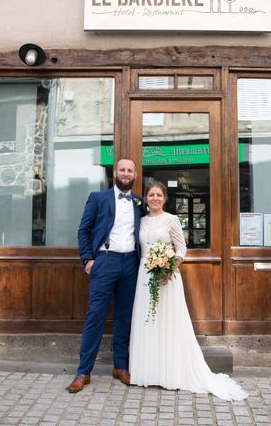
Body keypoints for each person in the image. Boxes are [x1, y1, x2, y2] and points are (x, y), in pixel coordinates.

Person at [129, 181, 248, 402]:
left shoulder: (172, 219)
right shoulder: (141, 221)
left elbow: (182, 247)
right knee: (148, 320)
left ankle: (171, 373)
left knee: (168, 322)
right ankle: (148, 371)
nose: (155, 198)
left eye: (159, 195)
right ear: (145, 198)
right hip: (144, 275)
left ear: (164, 198)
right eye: (151, 195)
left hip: (167, 276)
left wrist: (170, 267)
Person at [67, 158, 145, 394]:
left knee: (124, 317)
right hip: (105, 261)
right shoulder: (98, 198)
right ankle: (83, 371)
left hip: (130, 262)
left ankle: (120, 366)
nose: (126, 173)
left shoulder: (139, 202)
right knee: (95, 316)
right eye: (122, 169)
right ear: (115, 173)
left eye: (130, 170)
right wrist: (88, 258)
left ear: (135, 175)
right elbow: (84, 229)